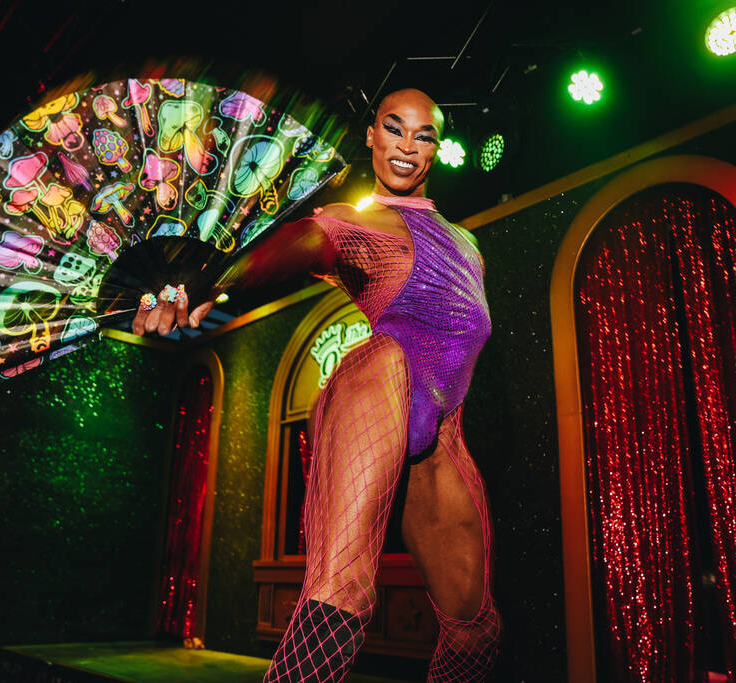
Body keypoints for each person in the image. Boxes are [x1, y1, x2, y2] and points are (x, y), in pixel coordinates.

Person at [134, 89, 501, 682]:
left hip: (441, 427)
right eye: (393, 128)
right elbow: (302, 243)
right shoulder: (354, 220)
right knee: (341, 594)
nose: (407, 145)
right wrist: (206, 285)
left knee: (475, 625)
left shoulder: (470, 247)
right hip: (381, 379)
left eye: (423, 134)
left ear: (436, 147)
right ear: (372, 137)